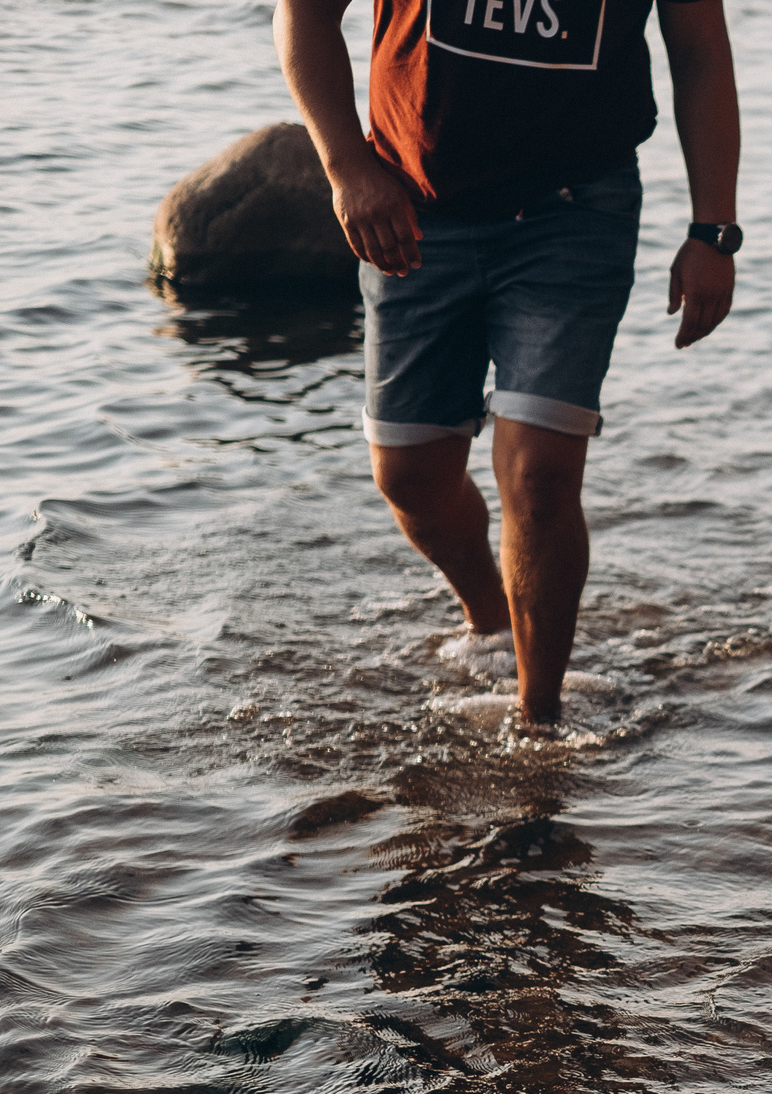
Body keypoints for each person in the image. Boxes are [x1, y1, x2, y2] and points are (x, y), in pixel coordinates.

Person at [276, 0, 743, 726]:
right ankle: (493, 620)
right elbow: (303, 14)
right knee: (410, 475)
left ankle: (538, 719)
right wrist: (345, 168)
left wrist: (714, 229)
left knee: (540, 473)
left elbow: (701, 49)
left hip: (576, 208)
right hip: (412, 203)